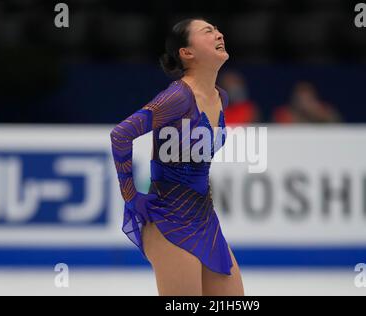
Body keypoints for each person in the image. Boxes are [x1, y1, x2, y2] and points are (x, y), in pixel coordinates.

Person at [110, 18, 244, 296]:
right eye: (208, 31)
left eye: (218, 29)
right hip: (168, 219)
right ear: (187, 52)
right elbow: (121, 135)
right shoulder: (177, 98)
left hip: (205, 218)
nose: (219, 33)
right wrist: (131, 196)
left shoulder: (221, 97)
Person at [272, 81, 343, 124]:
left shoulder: (323, 112)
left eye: (308, 99)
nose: (304, 103)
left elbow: (339, 127)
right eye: (300, 99)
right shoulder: (284, 114)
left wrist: (319, 117)